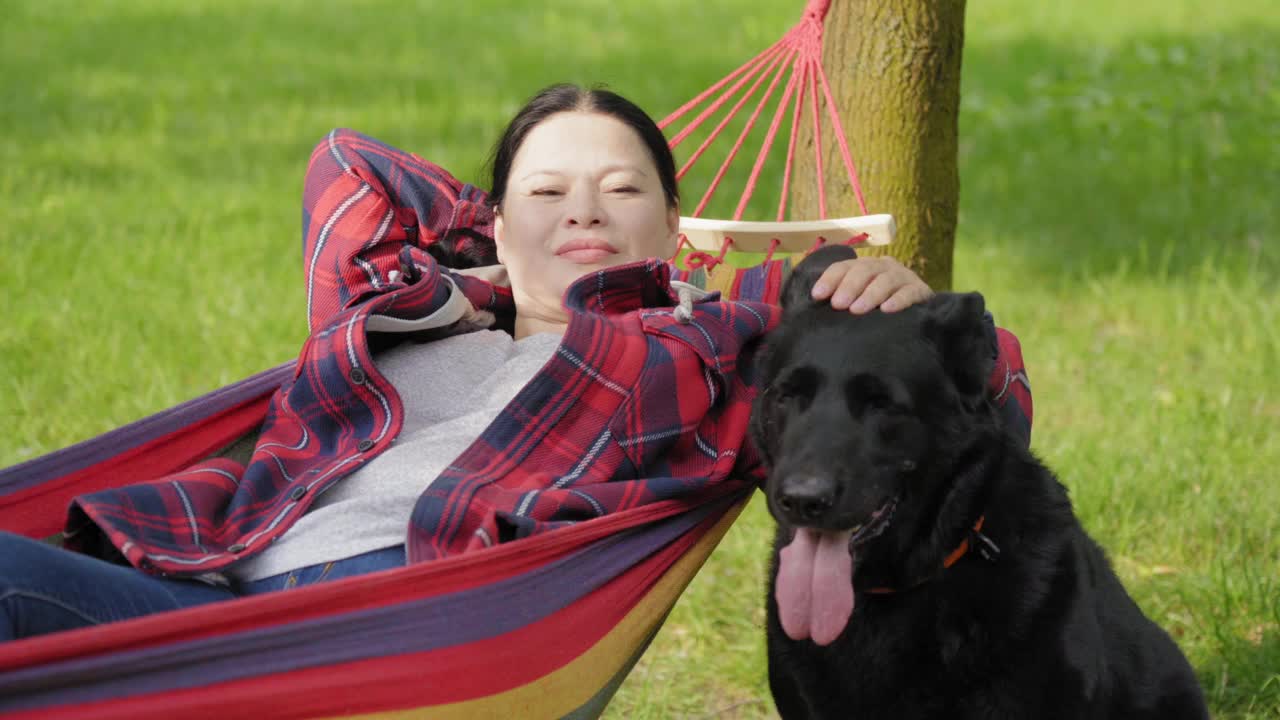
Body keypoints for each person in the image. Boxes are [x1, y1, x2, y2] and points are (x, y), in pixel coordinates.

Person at [0, 84, 1026, 642]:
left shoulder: (707, 343)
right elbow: (348, 167)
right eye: (546, 193)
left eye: (619, 191)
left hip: (368, 630)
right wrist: (490, 254)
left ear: (674, 224)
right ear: (490, 223)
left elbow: (980, 400)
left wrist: (881, 301)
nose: (580, 209)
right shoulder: (409, 311)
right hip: (201, 577)